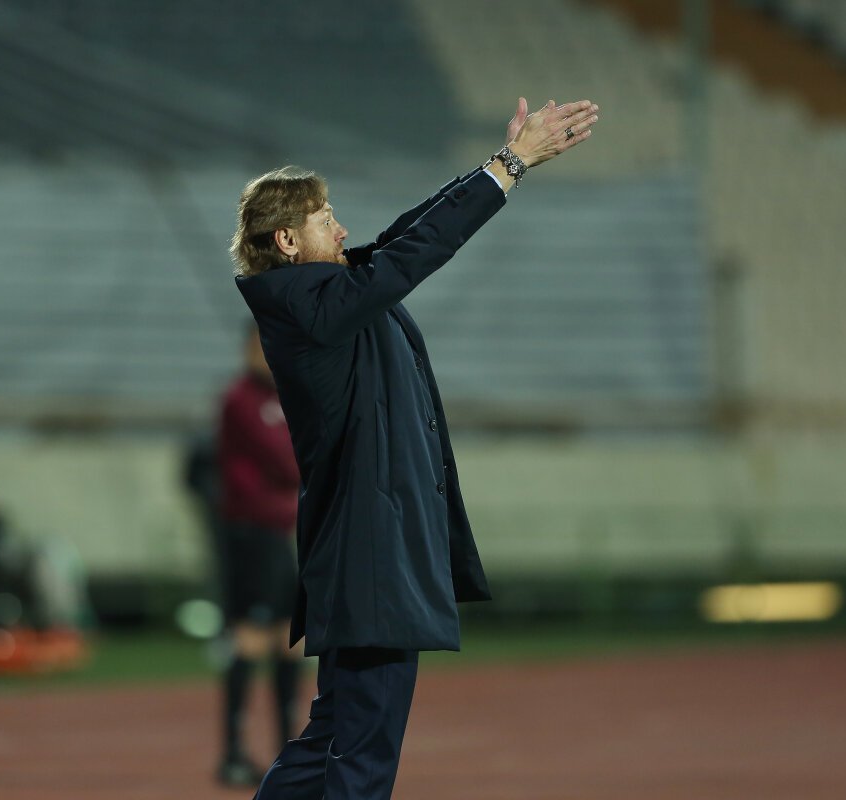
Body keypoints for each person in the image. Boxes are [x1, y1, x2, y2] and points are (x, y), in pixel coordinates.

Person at [231, 97, 598, 800]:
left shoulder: (327, 296)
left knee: (332, 740)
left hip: (368, 557)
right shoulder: (311, 309)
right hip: (372, 559)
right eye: (324, 219)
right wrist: (512, 165)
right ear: (286, 241)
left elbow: (405, 238)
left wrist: (499, 163)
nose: (342, 228)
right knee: (363, 753)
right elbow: (413, 256)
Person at [215, 321, 303, 786]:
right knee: (251, 633)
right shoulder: (241, 400)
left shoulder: (281, 396)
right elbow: (287, 459)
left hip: (279, 534)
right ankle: (233, 753)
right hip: (251, 534)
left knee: (290, 636)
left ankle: (289, 750)